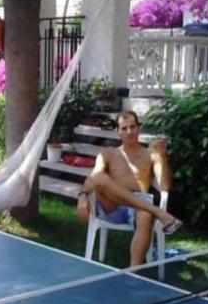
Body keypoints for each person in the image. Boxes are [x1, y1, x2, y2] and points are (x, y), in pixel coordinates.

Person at [77, 110, 182, 265]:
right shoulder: (108, 154)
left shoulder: (150, 155)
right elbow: (94, 178)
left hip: (138, 209)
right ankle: (156, 211)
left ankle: (133, 273)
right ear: (118, 132)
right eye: (124, 128)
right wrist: (82, 196)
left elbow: (164, 186)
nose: (129, 132)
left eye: (132, 127)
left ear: (139, 128)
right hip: (112, 206)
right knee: (99, 177)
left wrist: (162, 156)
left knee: (145, 216)